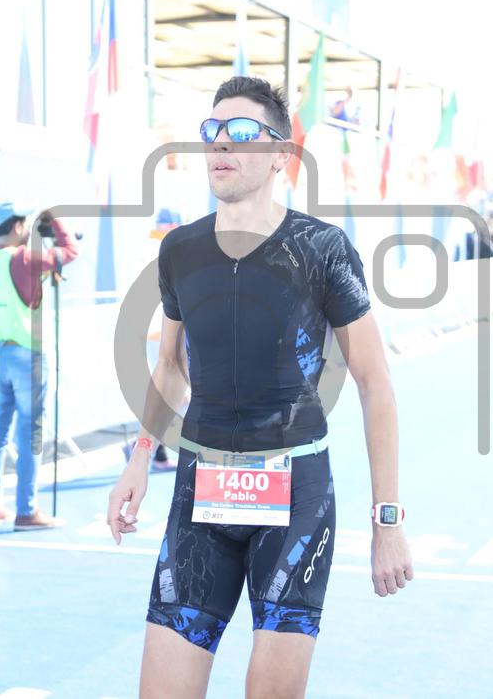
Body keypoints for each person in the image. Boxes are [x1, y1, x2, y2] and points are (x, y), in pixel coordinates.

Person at [107, 76, 413, 698]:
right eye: (212, 130)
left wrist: (388, 519)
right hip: (200, 491)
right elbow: (170, 364)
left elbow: (374, 382)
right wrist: (139, 458)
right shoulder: (180, 250)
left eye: (242, 131)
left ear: (280, 154)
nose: (222, 143)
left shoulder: (321, 249)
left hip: (295, 497)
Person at [0, 204, 78, 530]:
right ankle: (27, 511)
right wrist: (54, 220)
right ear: (17, 226)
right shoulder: (24, 259)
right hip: (27, 355)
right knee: (30, 433)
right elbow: (70, 252)